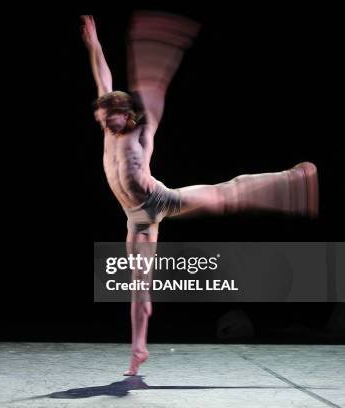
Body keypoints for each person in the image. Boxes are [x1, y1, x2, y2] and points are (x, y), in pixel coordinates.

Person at [81, 13, 318, 375]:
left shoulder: (141, 132)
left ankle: (293, 181)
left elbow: (153, 93)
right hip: (137, 220)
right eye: (99, 120)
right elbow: (103, 78)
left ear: (123, 113)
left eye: (106, 118)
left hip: (159, 200)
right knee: (139, 290)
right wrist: (93, 42)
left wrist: (157, 54)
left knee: (225, 195)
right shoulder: (109, 123)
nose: (102, 124)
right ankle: (138, 351)